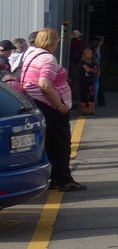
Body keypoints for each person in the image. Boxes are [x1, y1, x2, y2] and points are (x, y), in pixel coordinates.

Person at [18, 28, 85, 191]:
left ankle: (55, 177)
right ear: (53, 42)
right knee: (61, 143)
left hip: (38, 104)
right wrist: (60, 105)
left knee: (51, 143)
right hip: (51, 106)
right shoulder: (48, 59)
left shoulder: (31, 55)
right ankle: (63, 179)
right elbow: (44, 85)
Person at [77, 46, 99, 116]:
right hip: (84, 82)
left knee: (91, 96)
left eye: (91, 54)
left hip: (90, 81)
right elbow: (88, 69)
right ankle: (83, 111)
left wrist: (93, 70)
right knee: (84, 96)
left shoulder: (93, 62)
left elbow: (96, 70)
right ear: (85, 54)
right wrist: (92, 69)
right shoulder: (82, 62)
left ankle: (91, 111)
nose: (91, 55)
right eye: (89, 53)